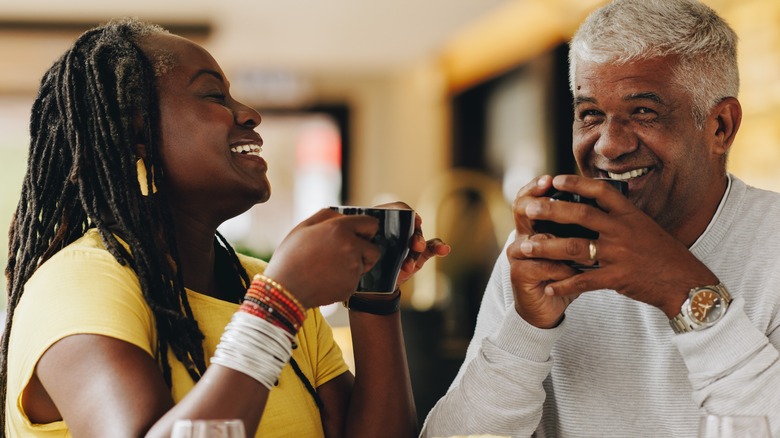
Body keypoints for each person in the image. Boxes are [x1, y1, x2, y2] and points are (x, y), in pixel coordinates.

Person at [1, 18, 450, 437]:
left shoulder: (257, 283)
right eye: (215, 96)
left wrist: (374, 292)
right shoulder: (81, 281)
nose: (249, 113)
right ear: (136, 133)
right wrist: (279, 302)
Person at [421, 0, 780, 436]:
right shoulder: (548, 251)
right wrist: (527, 330)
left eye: (644, 112)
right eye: (590, 114)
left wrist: (684, 291)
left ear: (721, 126)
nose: (608, 146)